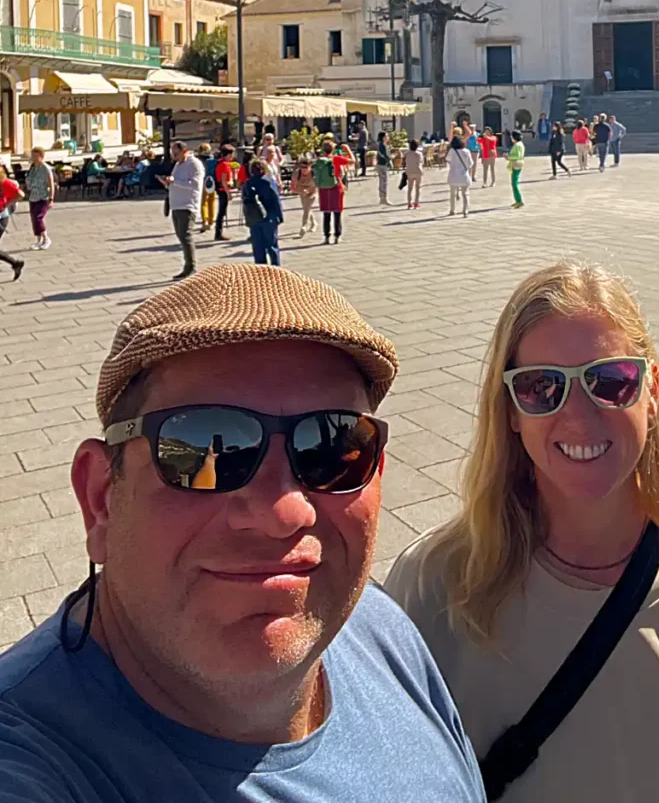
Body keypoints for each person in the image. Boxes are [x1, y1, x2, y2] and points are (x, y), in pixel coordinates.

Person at [0, 265, 484, 802]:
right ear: (100, 500)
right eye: (207, 448)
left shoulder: (375, 623)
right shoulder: (33, 761)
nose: (283, 512)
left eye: (331, 449)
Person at [386, 260, 659, 803]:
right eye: (542, 387)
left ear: (652, 390)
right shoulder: (435, 588)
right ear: (511, 410)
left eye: (611, 381)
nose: (579, 417)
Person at [156, 141, 204, 281]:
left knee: (185, 235)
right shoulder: (178, 164)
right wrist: (167, 183)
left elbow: (194, 184)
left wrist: (174, 181)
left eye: (175, 153)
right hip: (176, 204)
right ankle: (187, 265)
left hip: (187, 204)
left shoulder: (194, 164)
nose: (174, 156)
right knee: (180, 235)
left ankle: (191, 266)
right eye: (172, 153)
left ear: (184, 151)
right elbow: (175, 182)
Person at [242, 158, 283, 266]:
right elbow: (276, 200)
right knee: (272, 246)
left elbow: (245, 200)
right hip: (269, 217)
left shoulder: (247, 183)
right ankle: (276, 270)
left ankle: (261, 273)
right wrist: (279, 217)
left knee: (258, 247)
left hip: (254, 218)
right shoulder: (269, 182)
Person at [313, 139, 346, 244]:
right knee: (337, 212)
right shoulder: (335, 159)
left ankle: (326, 236)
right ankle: (337, 236)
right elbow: (344, 170)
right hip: (335, 187)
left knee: (326, 213)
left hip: (323, 188)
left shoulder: (319, 161)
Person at [25, 146, 55, 250]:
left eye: (36, 156)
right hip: (33, 196)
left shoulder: (45, 168)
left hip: (43, 197)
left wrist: (51, 198)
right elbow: (29, 180)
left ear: (42, 157)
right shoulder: (33, 168)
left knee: (39, 217)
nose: (34, 158)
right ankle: (39, 240)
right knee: (34, 219)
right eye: (33, 155)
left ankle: (46, 238)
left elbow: (51, 184)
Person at [0, 162, 24, 280]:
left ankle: (15, 263)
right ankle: (15, 264)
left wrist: (7, 204)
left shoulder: (4, 182)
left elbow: (20, 194)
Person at [214, 144, 236, 242]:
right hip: (223, 190)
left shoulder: (220, 163)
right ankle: (218, 233)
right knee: (221, 212)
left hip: (220, 189)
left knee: (222, 212)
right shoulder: (224, 165)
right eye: (231, 155)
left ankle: (218, 232)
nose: (232, 157)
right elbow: (223, 180)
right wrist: (229, 193)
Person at [290, 158, 317, 236]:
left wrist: (310, 191)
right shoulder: (297, 173)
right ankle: (314, 223)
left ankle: (304, 226)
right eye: (302, 167)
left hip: (312, 191)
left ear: (310, 166)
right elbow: (292, 188)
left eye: (306, 168)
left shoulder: (314, 173)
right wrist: (301, 191)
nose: (304, 170)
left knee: (306, 209)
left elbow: (318, 184)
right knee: (307, 208)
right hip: (301, 192)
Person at [447, 134, 472, 217]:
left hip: (453, 175)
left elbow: (448, 159)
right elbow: (470, 164)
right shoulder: (466, 151)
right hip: (464, 175)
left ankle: (452, 210)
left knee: (452, 194)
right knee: (465, 194)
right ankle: (465, 211)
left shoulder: (452, 151)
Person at [196, 143, 216, 231]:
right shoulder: (212, 158)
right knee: (212, 201)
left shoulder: (198, 159)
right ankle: (211, 222)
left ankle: (205, 221)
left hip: (202, 181)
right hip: (212, 181)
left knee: (204, 202)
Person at [403, 139, 424, 209]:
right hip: (418, 171)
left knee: (410, 188)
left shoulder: (407, 153)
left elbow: (405, 162)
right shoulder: (419, 154)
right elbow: (422, 162)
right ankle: (416, 203)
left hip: (409, 171)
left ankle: (409, 203)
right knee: (418, 188)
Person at [507, 129, 525, 208]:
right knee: (514, 183)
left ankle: (519, 201)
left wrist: (508, 157)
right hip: (518, 163)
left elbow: (517, 156)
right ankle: (517, 200)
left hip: (516, 164)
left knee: (514, 183)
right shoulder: (520, 144)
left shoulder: (517, 145)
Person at [376, 131, 392, 206]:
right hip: (382, 164)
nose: (387, 137)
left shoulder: (382, 145)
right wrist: (390, 159)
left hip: (381, 164)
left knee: (382, 181)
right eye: (386, 136)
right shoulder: (382, 145)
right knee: (384, 182)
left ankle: (382, 198)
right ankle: (384, 198)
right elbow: (384, 155)